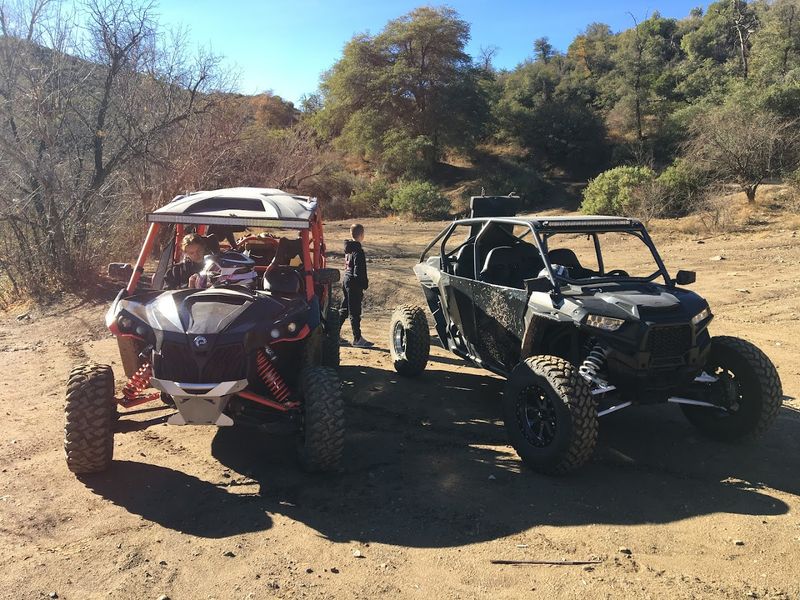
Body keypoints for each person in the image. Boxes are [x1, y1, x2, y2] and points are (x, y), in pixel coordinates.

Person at [340, 223, 373, 348]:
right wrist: (363, 284)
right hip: (354, 283)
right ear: (361, 234)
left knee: (344, 309)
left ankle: (331, 333)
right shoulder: (358, 250)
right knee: (354, 311)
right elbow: (359, 271)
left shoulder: (349, 248)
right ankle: (357, 338)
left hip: (346, 280)